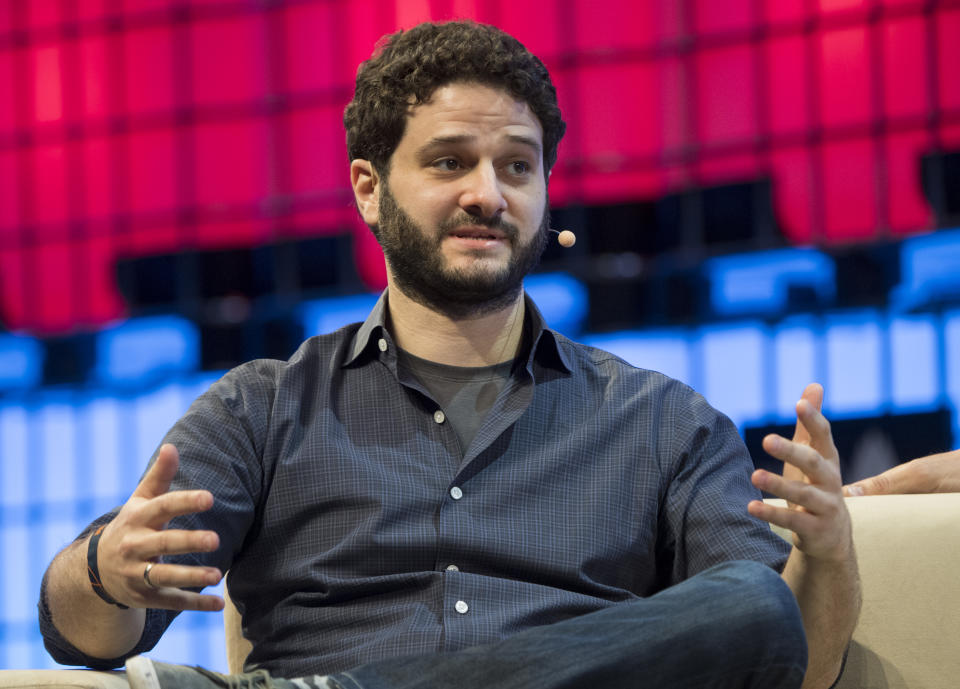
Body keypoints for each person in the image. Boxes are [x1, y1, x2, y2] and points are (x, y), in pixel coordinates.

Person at [38, 20, 859, 689]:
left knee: (753, 599)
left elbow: (776, 654)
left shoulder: (662, 422)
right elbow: (81, 637)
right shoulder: (264, 408)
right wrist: (108, 571)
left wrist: (827, 555)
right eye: (449, 162)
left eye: (516, 166)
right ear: (369, 187)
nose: (488, 194)